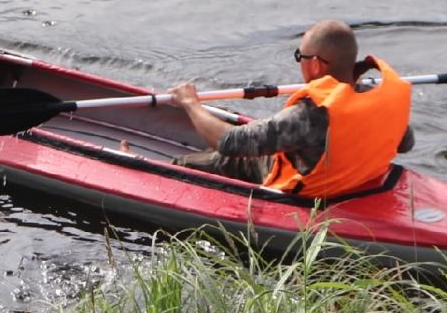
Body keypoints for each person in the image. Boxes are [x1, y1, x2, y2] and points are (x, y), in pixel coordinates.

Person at [169, 19, 414, 198]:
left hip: (309, 189)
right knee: (253, 129)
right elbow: (406, 144)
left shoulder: (311, 114)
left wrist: (190, 103)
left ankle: (162, 164)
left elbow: (229, 142)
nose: (300, 63)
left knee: (215, 158)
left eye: (301, 57)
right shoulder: (377, 98)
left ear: (316, 65)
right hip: (356, 178)